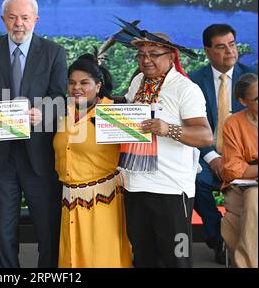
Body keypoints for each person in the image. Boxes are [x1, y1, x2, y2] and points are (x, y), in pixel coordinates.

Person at [0, 0, 67, 268]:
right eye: (12, 17)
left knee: (47, 226)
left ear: (35, 20)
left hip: (39, 154)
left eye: (24, 17)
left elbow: (62, 99)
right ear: (3, 20)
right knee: (3, 226)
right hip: (1, 154)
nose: (18, 23)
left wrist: (43, 112)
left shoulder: (54, 52)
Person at [113, 23, 213, 267]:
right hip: (135, 184)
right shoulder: (137, 82)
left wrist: (168, 129)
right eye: (141, 54)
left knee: (177, 258)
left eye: (154, 54)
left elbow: (205, 136)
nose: (146, 60)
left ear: (171, 56)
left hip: (171, 187)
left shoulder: (185, 89)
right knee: (144, 256)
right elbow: (129, 112)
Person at [53, 54, 132, 267]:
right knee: (72, 258)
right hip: (69, 200)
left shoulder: (111, 113)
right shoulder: (64, 112)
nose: (76, 88)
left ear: (98, 86)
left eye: (84, 83)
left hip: (103, 202)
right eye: (72, 82)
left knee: (101, 257)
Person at [189, 24, 258, 264]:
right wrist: (212, 158)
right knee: (194, 180)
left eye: (232, 44)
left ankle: (236, 242)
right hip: (210, 155)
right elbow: (192, 127)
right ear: (207, 50)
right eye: (221, 47)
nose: (229, 51)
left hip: (247, 157)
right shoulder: (193, 81)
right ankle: (216, 237)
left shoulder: (252, 78)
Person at [221, 73, 258, 268]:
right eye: (257, 99)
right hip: (241, 187)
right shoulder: (233, 123)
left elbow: (242, 167)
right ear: (242, 101)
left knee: (253, 199)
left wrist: (250, 168)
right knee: (248, 201)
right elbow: (233, 170)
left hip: (251, 187)